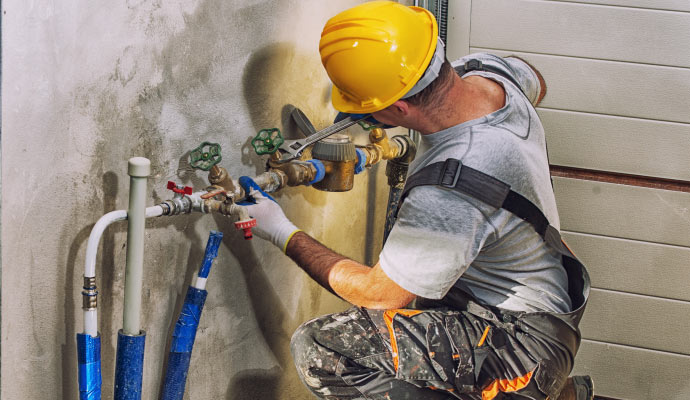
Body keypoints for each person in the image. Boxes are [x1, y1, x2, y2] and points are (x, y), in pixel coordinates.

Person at [239, 1, 593, 399]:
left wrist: (281, 231)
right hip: (528, 300)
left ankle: (530, 393)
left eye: (364, 107)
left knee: (322, 349)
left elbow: (378, 295)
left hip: (521, 346)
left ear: (399, 107)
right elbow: (536, 79)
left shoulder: (448, 192)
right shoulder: (489, 74)